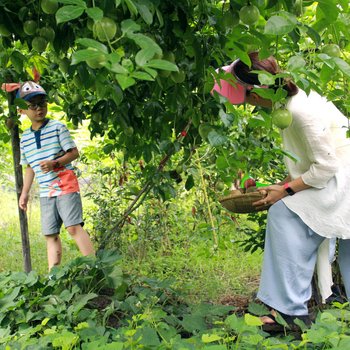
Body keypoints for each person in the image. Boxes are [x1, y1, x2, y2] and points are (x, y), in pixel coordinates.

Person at [212, 52, 350, 327]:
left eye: (248, 99)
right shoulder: (287, 107)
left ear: (255, 93)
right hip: (339, 176)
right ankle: (290, 310)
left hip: (341, 179)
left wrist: (285, 192)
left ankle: (289, 310)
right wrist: (279, 186)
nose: (251, 105)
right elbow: (305, 161)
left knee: (285, 216)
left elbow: (325, 167)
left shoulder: (298, 112)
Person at [16, 81, 95, 270]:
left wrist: (55, 163)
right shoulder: (25, 138)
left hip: (65, 185)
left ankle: (95, 268)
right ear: (22, 111)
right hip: (46, 191)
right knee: (50, 234)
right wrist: (25, 193)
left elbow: (74, 152)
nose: (38, 109)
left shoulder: (57, 127)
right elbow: (29, 167)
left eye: (42, 104)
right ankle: (54, 277)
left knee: (73, 227)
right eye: (32, 106)